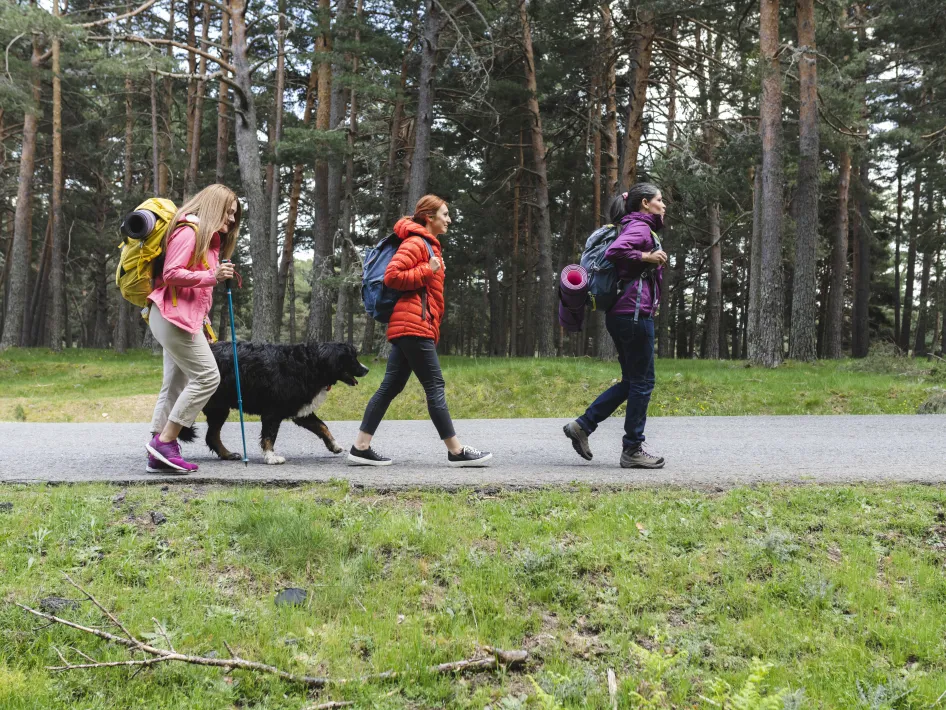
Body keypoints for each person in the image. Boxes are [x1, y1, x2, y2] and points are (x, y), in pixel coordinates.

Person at [350, 195, 491, 467]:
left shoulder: (427, 246)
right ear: (429, 217)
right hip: (414, 326)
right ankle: (456, 451)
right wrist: (429, 269)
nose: (449, 220)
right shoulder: (416, 242)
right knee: (434, 385)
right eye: (445, 214)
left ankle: (360, 446)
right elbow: (392, 276)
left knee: (390, 386)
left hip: (411, 325)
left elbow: (421, 283)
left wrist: (433, 269)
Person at [563, 183, 668, 468]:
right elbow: (615, 253)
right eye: (660, 200)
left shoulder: (632, 226)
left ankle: (583, 425)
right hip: (633, 315)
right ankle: (632, 448)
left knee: (633, 381)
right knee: (643, 382)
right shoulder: (640, 228)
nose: (664, 205)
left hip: (621, 314)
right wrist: (647, 256)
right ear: (645, 203)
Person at [145, 184, 241, 474]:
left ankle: (157, 451)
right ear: (214, 206)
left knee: (175, 383)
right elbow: (171, 273)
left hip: (183, 317)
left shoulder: (209, 241)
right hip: (171, 316)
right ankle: (166, 441)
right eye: (229, 212)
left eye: (235, 215)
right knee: (208, 377)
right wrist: (212, 276)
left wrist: (204, 318)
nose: (232, 219)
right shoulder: (190, 231)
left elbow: (195, 288)